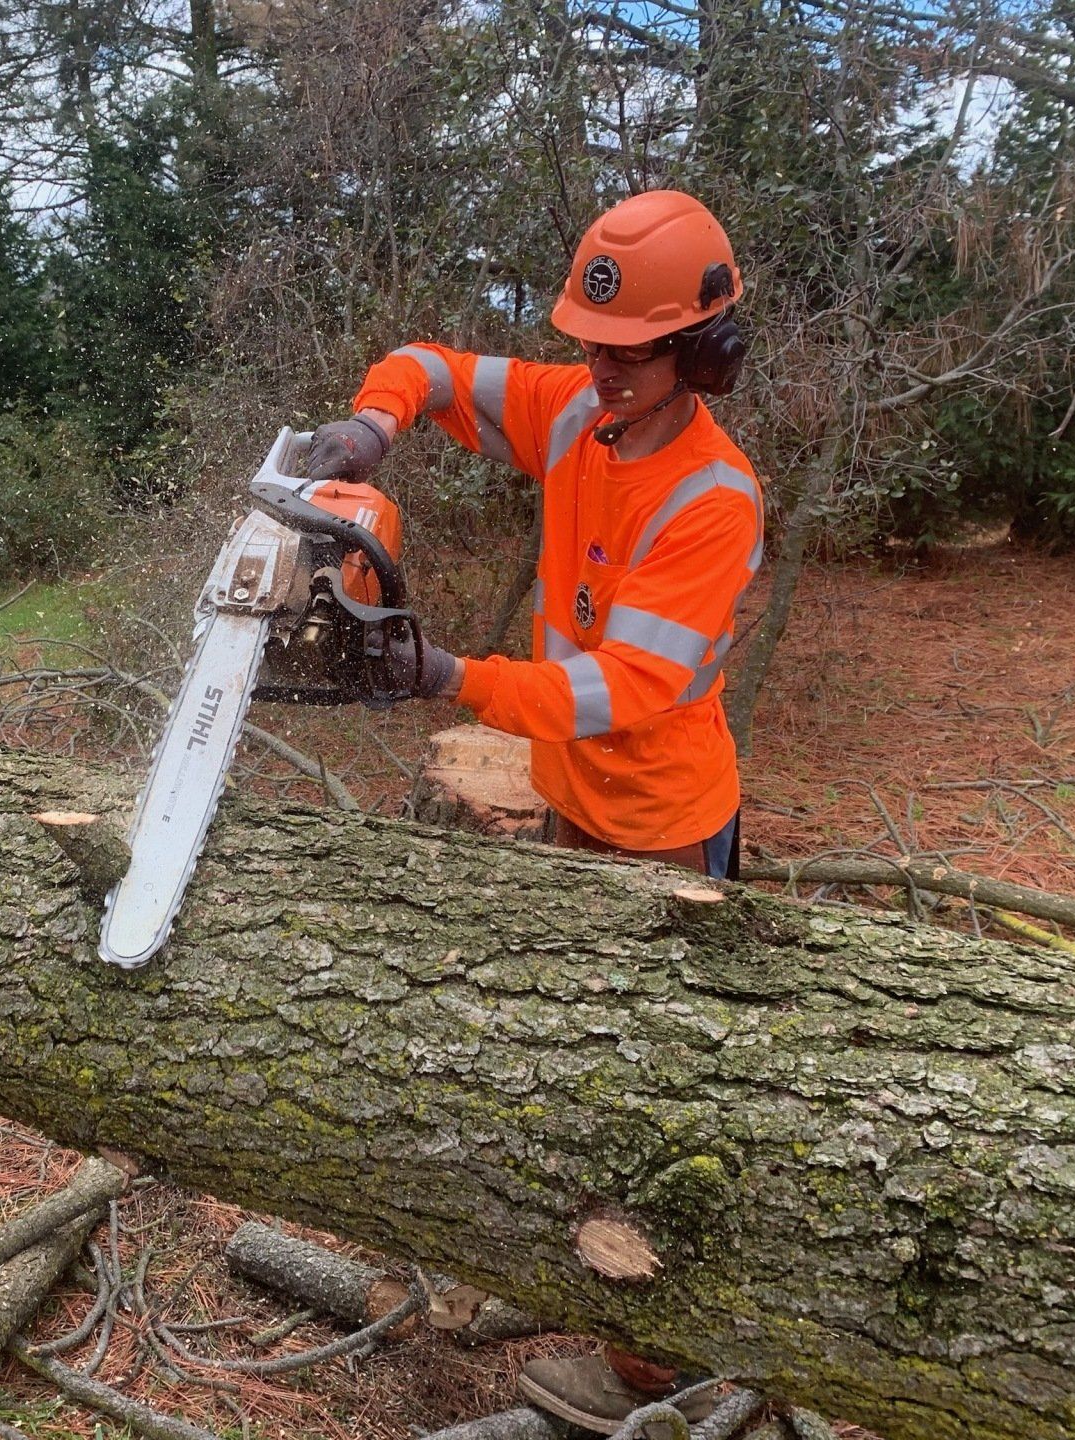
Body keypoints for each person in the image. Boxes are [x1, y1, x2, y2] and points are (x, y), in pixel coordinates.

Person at [305, 189, 761, 1436]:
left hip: (662, 826)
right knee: (566, 1052)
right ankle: (563, 1270)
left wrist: (451, 677)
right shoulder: (577, 409)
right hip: (572, 806)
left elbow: (628, 688)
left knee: (647, 1095)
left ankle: (657, 1375)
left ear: (703, 350)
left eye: (632, 352)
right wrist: (369, 427)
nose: (603, 371)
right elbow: (435, 371)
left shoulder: (714, 498)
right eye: (593, 347)